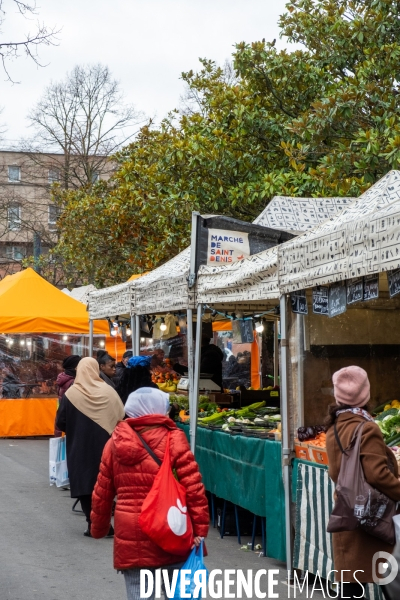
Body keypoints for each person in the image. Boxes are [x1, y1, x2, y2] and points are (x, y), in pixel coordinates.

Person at [90, 386, 209, 600]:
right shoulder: (174, 439)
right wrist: (200, 529)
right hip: (172, 528)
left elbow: (102, 493)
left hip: (132, 534)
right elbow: (193, 487)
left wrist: (98, 528)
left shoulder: (114, 443)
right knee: (179, 592)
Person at [326, 366, 400, 599]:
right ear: (365, 394)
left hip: (347, 512)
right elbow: (377, 474)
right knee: (386, 577)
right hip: (369, 519)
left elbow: (336, 471)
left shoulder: (334, 427)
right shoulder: (367, 427)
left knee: (351, 585)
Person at [55, 357, 125, 536]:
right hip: (106, 446)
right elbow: (121, 417)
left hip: (79, 447)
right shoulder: (109, 392)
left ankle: (93, 524)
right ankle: (106, 523)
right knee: (105, 484)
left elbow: (61, 422)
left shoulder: (72, 394)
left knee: (85, 485)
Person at [54, 354, 81, 437]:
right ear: (75, 367)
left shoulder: (63, 378)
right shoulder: (73, 382)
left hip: (63, 414)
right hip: (71, 416)